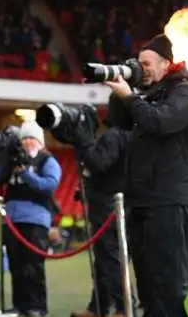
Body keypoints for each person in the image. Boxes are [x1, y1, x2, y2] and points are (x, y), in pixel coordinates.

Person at [103, 34, 188, 317]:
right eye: (138, 63)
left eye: (146, 64)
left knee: (167, 289)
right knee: (148, 289)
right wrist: (120, 86)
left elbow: (160, 122)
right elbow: (117, 121)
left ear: (165, 65)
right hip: (143, 200)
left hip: (169, 201)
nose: (141, 68)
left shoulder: (185, 92)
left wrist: (131, 97)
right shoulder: (148, 95)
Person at [0, 120, 61, 317]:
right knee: (16, 265)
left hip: (36, 220)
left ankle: (37, 307)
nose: (28, 142)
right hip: (12, 220)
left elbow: (49, 185)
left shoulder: (47, 161)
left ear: (40, 142)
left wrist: (26, 173)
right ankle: (19, 306)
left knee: (33, 265)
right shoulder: (13, 161)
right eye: (24, 138)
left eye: (31, 138)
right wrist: (6, 163)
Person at [70, 121, 134, 317]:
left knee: (109, 259)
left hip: (108, 207)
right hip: (120, 203)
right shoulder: (132, 133)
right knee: (103, 261)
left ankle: (124, 308)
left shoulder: (115, 134)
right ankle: (97, 307)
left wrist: (84, 142)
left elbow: (99, 163)